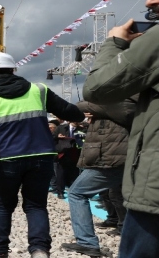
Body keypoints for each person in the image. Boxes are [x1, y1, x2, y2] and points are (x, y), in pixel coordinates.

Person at [0, 52, 84, 258]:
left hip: (6, 159)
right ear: (13, 70)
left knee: (3, 205)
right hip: (41, 156)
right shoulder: (39, 90)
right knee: (36, 205)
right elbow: (73, 114)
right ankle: (39, 250)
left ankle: (0, 252)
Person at [82, 0, 159, 258]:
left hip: (152, 190)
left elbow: (97, 87)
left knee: (78, 193)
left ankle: (89, 240)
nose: (150, 0)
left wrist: (114, 43)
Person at [61, 97, 136, 256]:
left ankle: (87, 242)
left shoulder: (114, 102)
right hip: (124, 157)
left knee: (77, 193)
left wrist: (95, 108)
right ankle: (126, 232)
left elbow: (79, 106)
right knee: (120, 195)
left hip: (112, 158)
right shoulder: (132, 102)